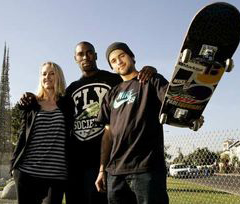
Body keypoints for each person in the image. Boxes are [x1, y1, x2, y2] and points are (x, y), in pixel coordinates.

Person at [19, 41, 157, 204]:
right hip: (76, 161)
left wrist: (151, 70)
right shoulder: (70, 90)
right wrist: (29, 98)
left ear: (96, 55)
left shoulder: (113, 79)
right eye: (80, 54)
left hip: (106, 159)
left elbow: (132, 77)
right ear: (75, 59)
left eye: (89, 52)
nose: (85, 56)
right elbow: (49, 102)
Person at [95, 42, 204, 204]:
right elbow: (107, 134)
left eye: (122, 56)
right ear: (112, 68)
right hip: (116, 172)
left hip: (147, 169)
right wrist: (102, 169)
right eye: (113, 60)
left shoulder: (151, 80)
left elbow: (173, 104)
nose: (118, 61)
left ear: (132, 57)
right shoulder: (111, 94)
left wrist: (191, 114)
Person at [10, 62, 73, 204]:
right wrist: (13, 165)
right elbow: (22, 135)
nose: (47, 77)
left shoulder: (67, 103)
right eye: (44, 74)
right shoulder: (32, 104)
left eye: (52, 73)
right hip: (27, 172)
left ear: (59, 77)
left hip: (56, 174)